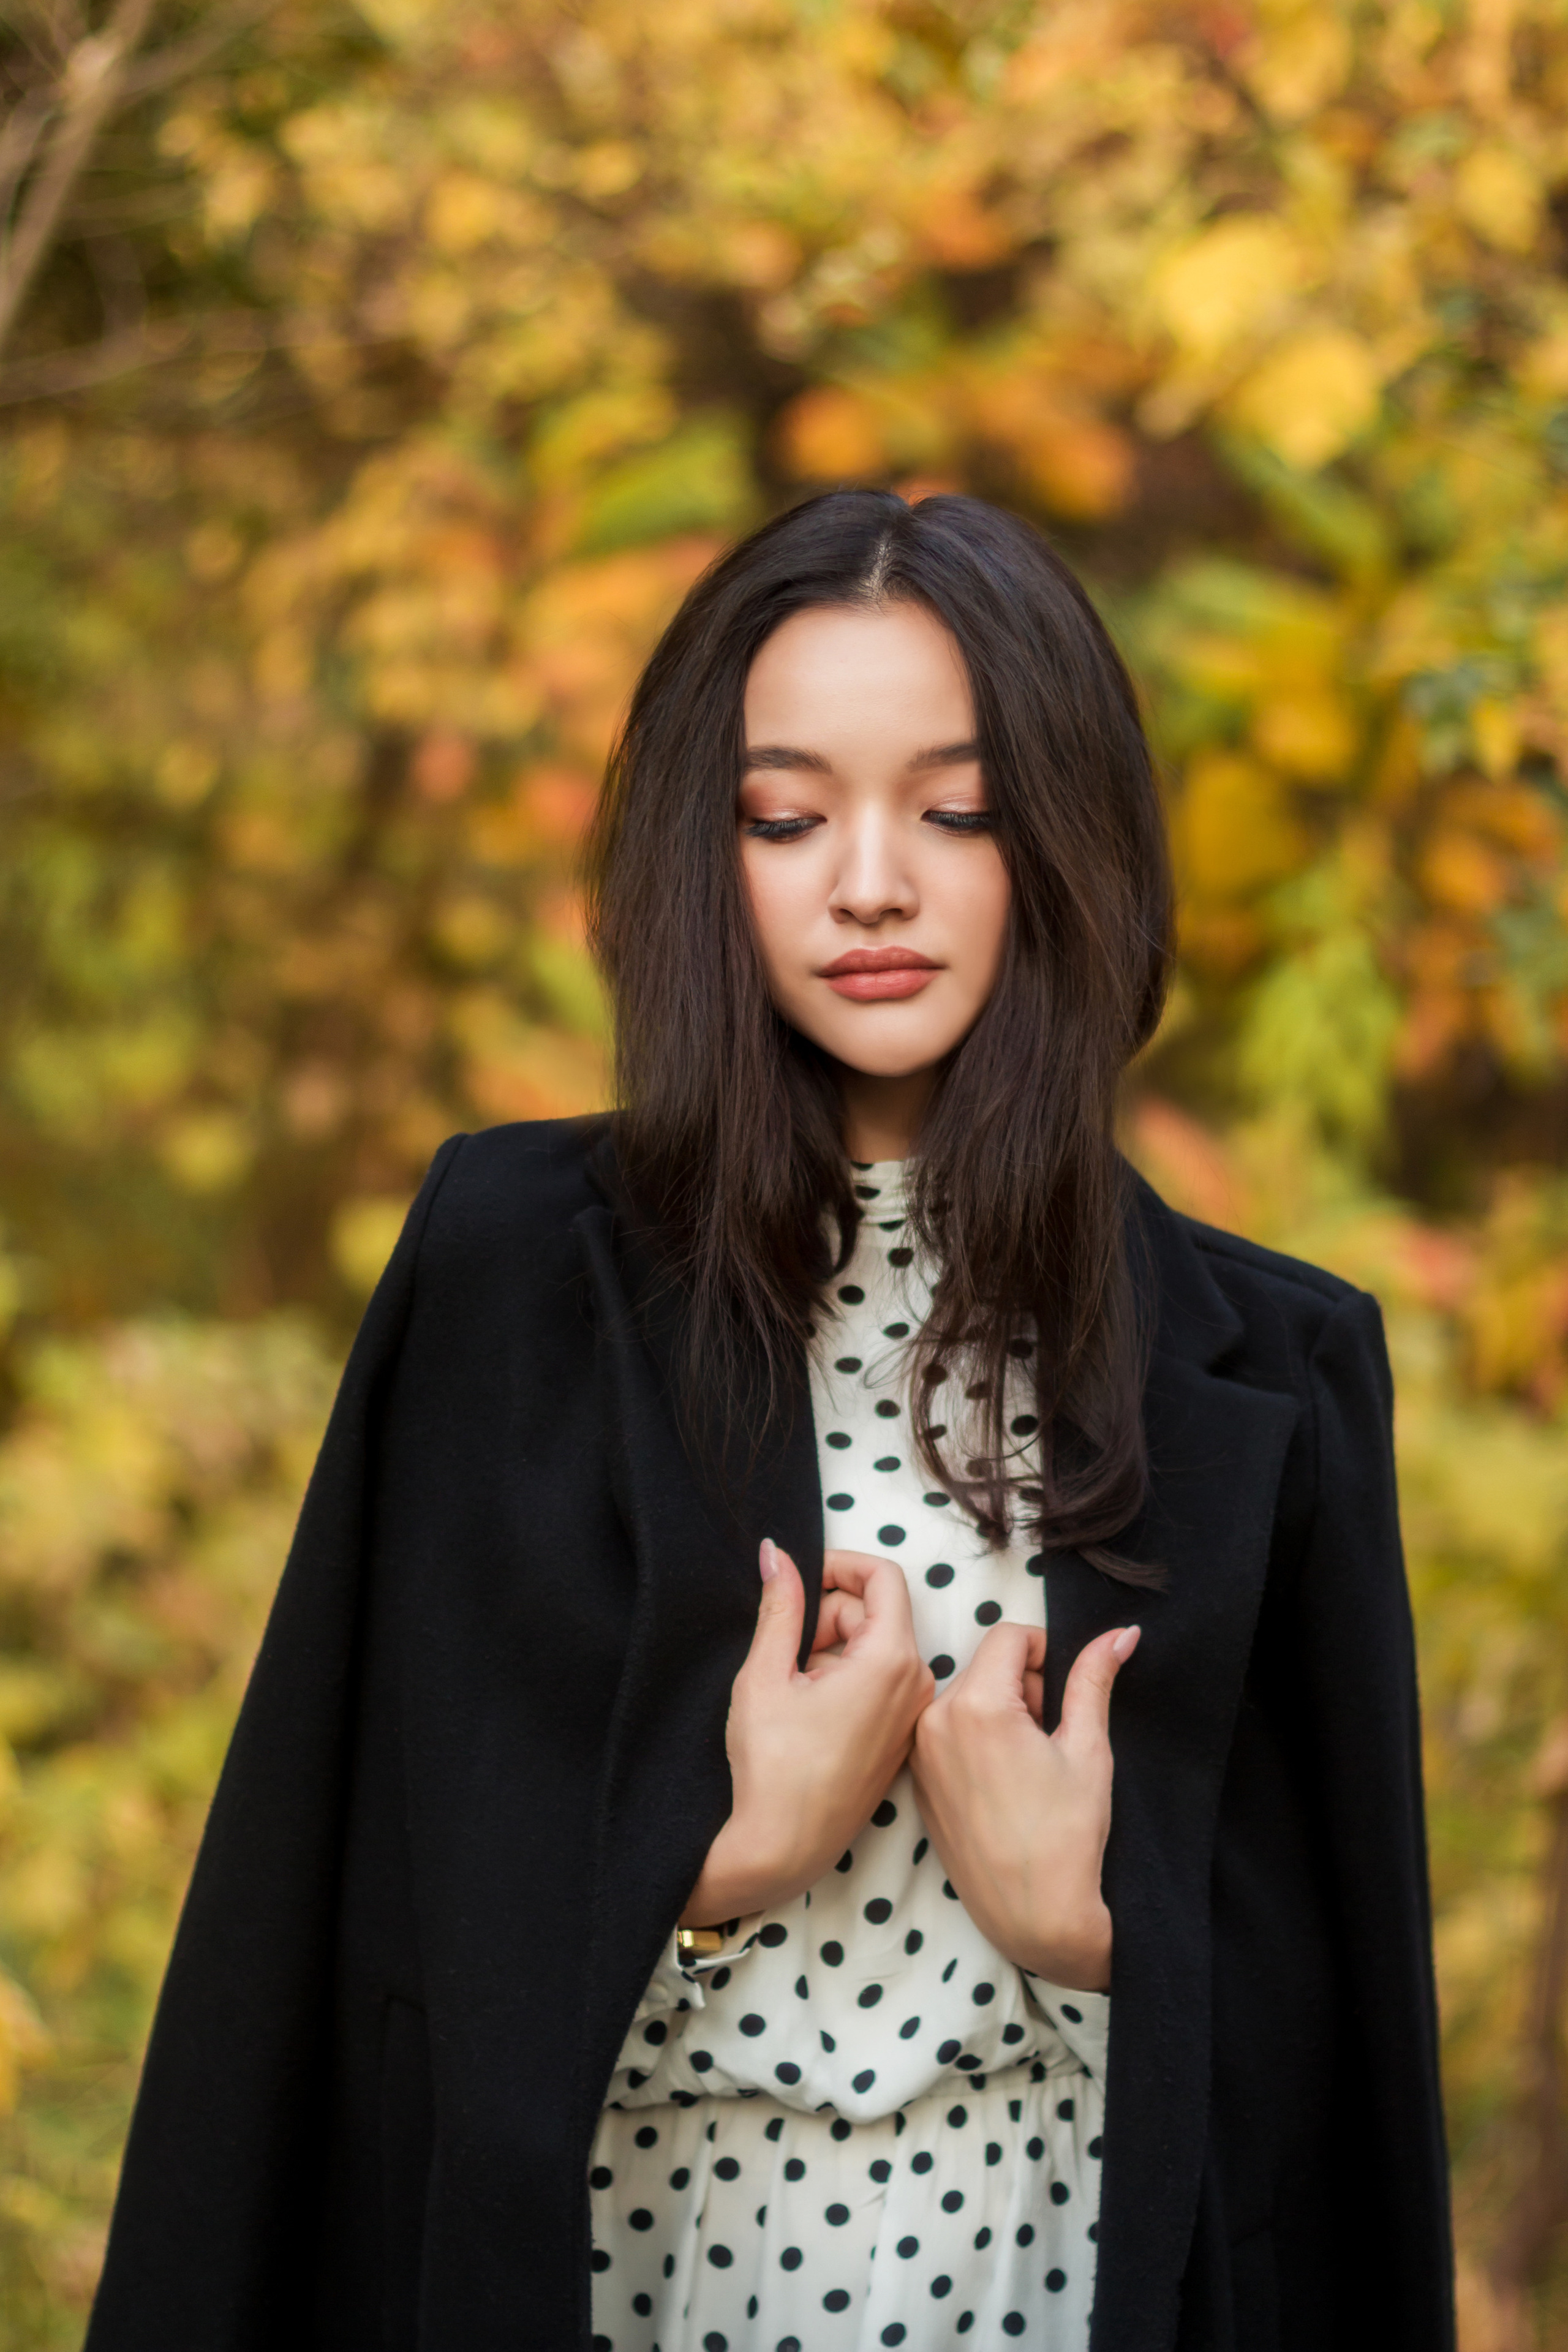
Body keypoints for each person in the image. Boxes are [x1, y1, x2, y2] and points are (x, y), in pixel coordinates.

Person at [84, 491, 1455, 2352]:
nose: (867, 883)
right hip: (649, 2288)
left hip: (1044, 2287)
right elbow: (348, 1957)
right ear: (698, 855)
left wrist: (1089, 1932)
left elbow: (1346, 2089)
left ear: (1069, 843)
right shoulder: (508, 1279)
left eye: (956, 812)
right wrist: (717, 1863)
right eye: (784, 815)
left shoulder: (1278, 1372)